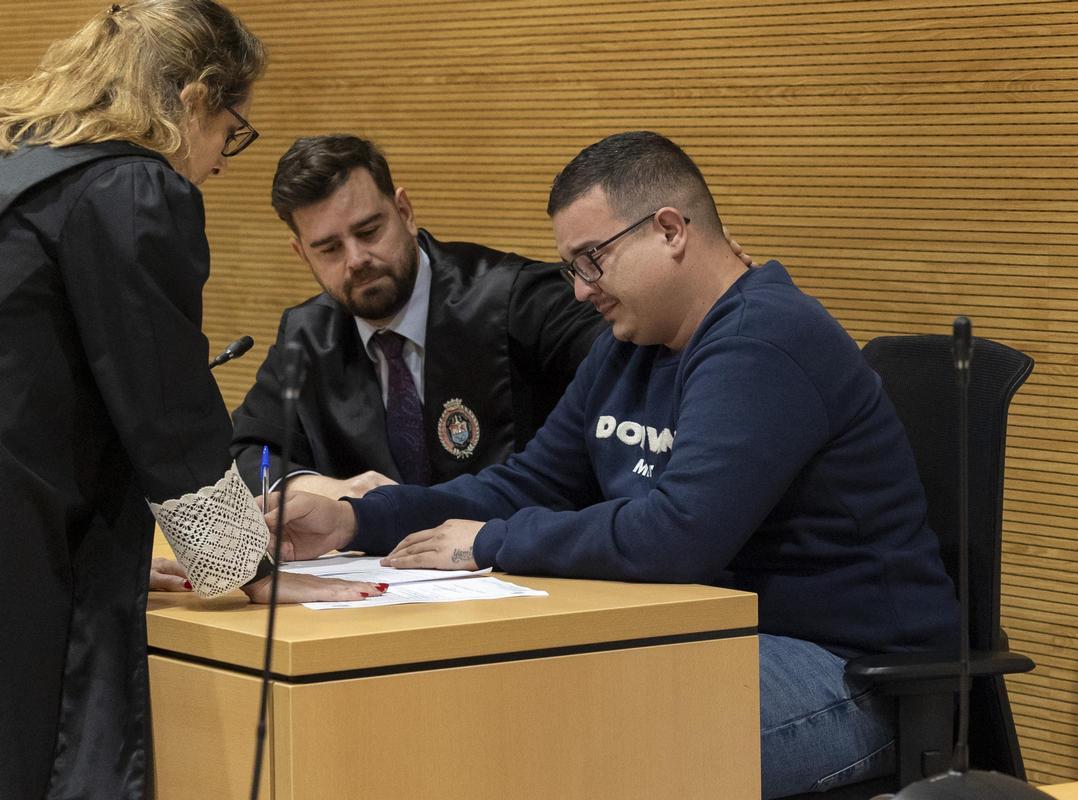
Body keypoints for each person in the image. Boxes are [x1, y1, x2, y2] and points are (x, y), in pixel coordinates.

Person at [267, 131, 960, 797]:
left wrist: (488, 542)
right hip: (712, 638)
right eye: (571, 267)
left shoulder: (763, 341)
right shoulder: (632, 343)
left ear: (669, 229)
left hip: (852, 677)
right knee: (495, 713)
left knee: (567, 740)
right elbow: (530, 483)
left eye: (591, 259)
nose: (579, 289)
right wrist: (352, 520)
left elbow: (677, 536)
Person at [0, 4, 382, 798]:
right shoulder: (129, 185)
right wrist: (247, 566)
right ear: (197, 98)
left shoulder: (20, 163)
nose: (223, 160)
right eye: (233, 130)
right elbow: (166, 405)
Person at [228, 134, 606, 501]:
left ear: (404, 213)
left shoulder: (517, 300)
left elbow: (626, 378)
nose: (357, 259)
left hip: (507, 551)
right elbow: (251, 454)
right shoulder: (307, 335)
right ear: (302, 255)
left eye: (369, 231)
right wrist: (327, 490)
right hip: (371, 561)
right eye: (329, 248)